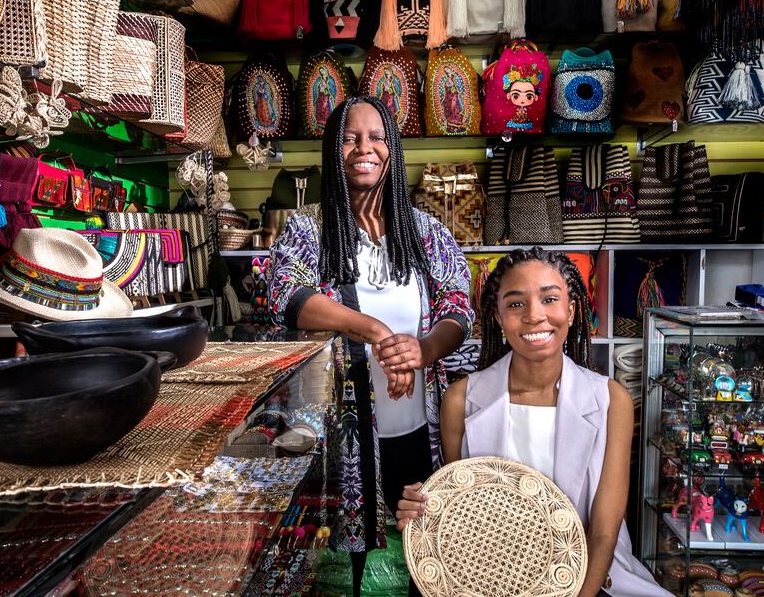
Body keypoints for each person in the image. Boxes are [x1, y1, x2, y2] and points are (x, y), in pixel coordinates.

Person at [266, 96, 473, 595]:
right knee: (342, 571)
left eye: (377, 136)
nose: (365, 148)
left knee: (422, 559)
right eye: (350, 138)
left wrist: (422, 350)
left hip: (419, 429)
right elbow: (287, 298)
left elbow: (459, 309)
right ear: (332, 150)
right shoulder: (308, 228)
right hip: (339, 438)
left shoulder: (424, 232)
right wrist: (375, 331)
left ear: (393, 147)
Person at [395, 248, 670, 597]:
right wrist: (426, 510)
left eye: (549, 299)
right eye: (515, 304)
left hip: (588, 576)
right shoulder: (461, 399)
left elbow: (603, 530)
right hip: (492, 575)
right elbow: (464, 512)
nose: (534, 316)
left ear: (570, 311)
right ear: (497, 318)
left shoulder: (610, 400)